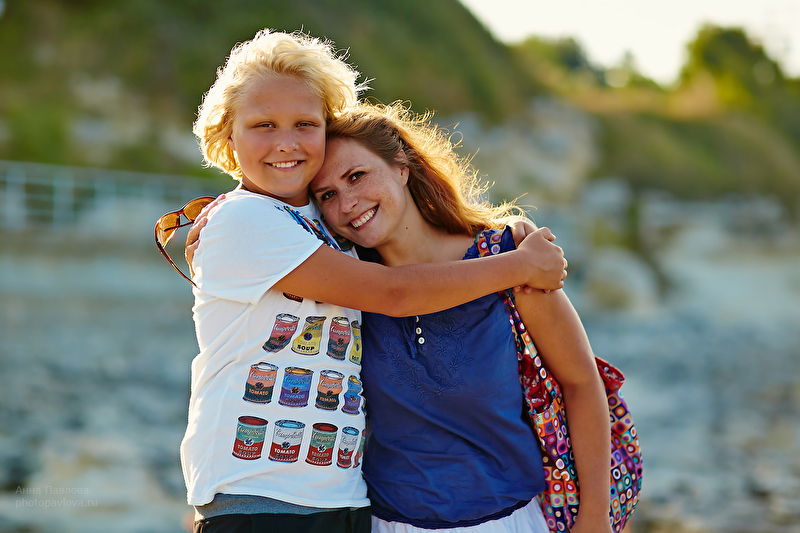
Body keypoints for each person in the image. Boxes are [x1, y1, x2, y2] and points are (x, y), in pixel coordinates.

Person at [181, 28, 567, 533]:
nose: (286, 142)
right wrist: (519, 264)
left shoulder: (327, 227)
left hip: (344, 499)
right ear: (228, 137)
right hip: (260, 496)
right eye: (263, 125)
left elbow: (407, 253)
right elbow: (395, 293)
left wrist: (505, 233)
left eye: (305, 124)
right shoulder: (242, 219)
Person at [306, 102, 614, 533]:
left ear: (401, 167)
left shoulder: (507, 259)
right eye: (327, 195)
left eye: (356, 176)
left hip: (507, 521)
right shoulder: (348, 284)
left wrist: (595, 517)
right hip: (386, 524)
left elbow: (581, 382)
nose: (348, 203)